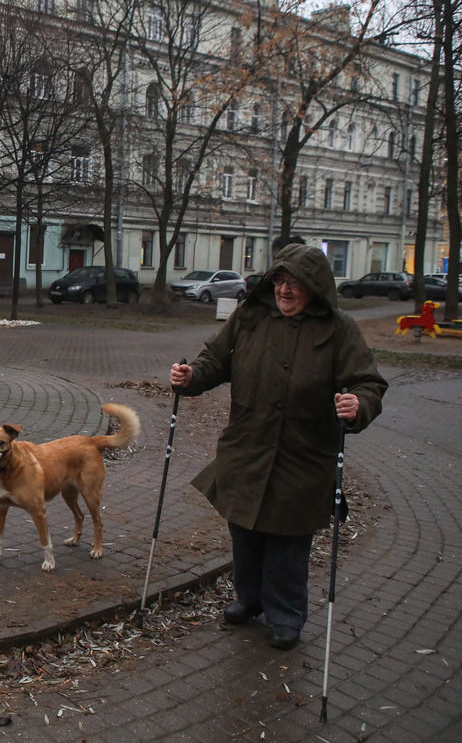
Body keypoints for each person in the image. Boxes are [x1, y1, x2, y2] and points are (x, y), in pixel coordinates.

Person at [169, 243, 387, 650]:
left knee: (288, 543)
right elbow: (215, 360)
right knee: (245, 534)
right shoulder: (250, 317)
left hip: (301, 456)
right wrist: (190, 376)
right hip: (247, 448)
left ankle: (286, 614)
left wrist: (359, 404)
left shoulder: (339, 329)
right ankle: (249, 600)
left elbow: (368, 383)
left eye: (296, 283)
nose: (285, 291)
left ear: (315, 287)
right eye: (280, 281)